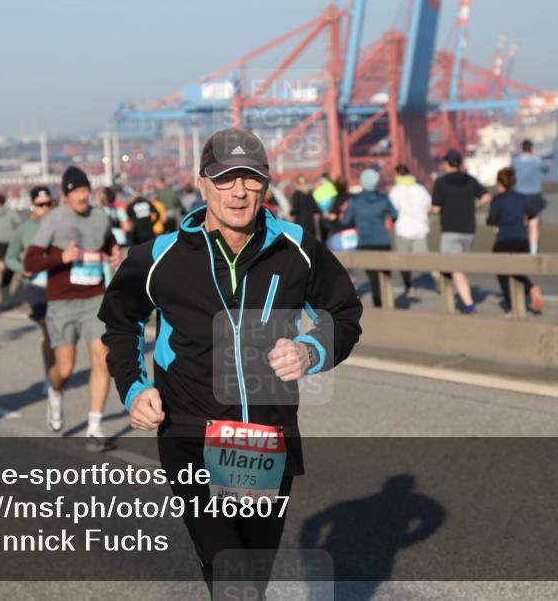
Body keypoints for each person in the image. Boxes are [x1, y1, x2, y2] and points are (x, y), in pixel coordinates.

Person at [99, 128, 363, 596]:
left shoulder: (296, 248)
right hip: (192, 437)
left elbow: (343, 312)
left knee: (249, 581)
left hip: (268, 441)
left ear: (265, 183)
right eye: (225, 179)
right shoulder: (162, 257)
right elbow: (121, 325)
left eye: (250, 178)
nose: (238, 191)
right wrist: (136, 388)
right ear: (202, 185)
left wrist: (311, 350)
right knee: (231, 577)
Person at [23, 166, 121, 451]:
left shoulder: (100, 216)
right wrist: (61, 258)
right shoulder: (53, 220)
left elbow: (107, 241)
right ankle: (54, 394)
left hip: (95, 300)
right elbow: (30, 263)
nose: (82, 196)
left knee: (102, 360)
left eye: (85, 190)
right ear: (65, 196)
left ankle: (94, 427)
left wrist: (113, 252)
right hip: (62, 303)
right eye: (76, 191)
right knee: (64, 369)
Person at [6, 186, 56, 395]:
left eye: (48, 204)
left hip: (57, 284)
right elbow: (10, 258)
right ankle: (50, 377)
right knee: (48, 331)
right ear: (32, 205)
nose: (45, 208)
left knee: (61, 335)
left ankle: (58, 370)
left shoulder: (61, 225)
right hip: (35, 286)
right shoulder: (24, 229)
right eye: (40, 205)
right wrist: (23, 269)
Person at [430, 150, 491, 314]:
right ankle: (465, 296)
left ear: (447, 164)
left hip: (450, 230)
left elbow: (436, 208)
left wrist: (426, 209)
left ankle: (469, 305)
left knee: (454, 269)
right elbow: (486, 197)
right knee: (460, 267)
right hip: (469, 230)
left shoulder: (440, 183)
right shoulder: (470, 180)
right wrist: (474, 206)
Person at [487, 168, 543, 316]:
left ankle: (511, 307)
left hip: (504, 241)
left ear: (499, 183)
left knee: (502, 273)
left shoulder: (498, 200)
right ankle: (530, 288)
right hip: (521, 241)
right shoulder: (522, 198)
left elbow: (492, 219)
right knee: (517, 271)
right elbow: (533, 214)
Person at [342, 168, 397, 308]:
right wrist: (389, 220)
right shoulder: (384, 198)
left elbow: (346, 221)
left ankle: (379, 306)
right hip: (384, 242)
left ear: (362, 181)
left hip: (365, 243)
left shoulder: (354, 201)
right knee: (385, 276)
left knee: (374, 279)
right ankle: (388, 303)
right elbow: (395, 215)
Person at [387, 164, 431, 297]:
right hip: (420, 228)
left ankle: (408, 286)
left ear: (398, 175)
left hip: (403, 229)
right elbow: (429, 206)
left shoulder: (395, 190)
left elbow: (392, 210)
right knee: (424, 259)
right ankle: (439, 279)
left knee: (403, 260)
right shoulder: (420, 188)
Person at [512, 139, 548, 254]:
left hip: (520, 195)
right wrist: (536, 157)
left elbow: (511, 172)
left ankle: (521, 246)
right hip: (535, 195)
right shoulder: (537, 160)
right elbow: (546, 169)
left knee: (522, 224)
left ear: (522, 148)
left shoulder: (516, 161)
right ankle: (533, 251)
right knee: (534, 225)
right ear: (531, 148)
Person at [289, 175, 319, 241]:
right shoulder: (310, 194)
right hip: (310, 224)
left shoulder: (296, 195)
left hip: (300, 224)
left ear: (296, 184)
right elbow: (316, 210)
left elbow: (294, 210)